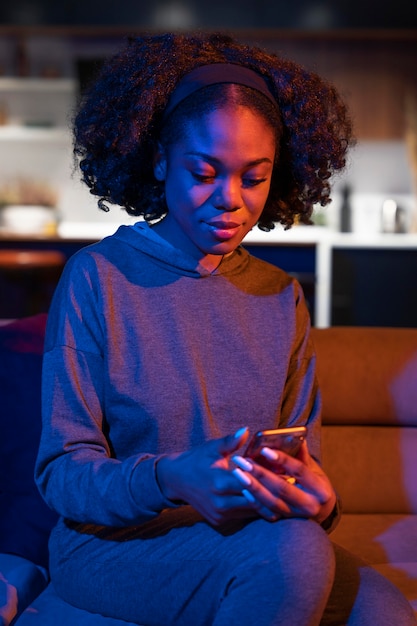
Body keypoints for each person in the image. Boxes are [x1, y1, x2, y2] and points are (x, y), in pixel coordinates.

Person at [35, 32, 416, 625]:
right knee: (292, 553)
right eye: (205, 172)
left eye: (253, 178)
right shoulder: (98, 279)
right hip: (113, 547)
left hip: (252, 539)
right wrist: (170, 480)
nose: (230, 201)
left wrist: (320, 500)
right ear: (160, 159)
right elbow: (62, 474)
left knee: (386, 613)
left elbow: (299, 457)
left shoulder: (280, 295)